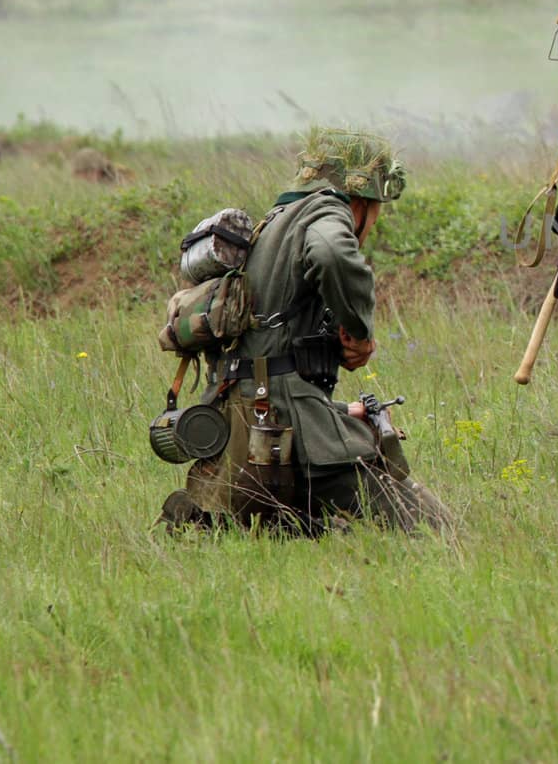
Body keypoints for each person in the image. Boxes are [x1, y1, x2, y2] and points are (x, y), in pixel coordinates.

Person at [158, 128, 448, 533]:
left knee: (287, 533)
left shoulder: (275, 222)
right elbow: (331, 254)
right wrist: (359, 331)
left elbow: (270, 360)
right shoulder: (327, 211)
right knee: (436, 529)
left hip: (243, 425)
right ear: (360, 199)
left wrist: (341, 412)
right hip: (283, 426)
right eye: (376, 209)